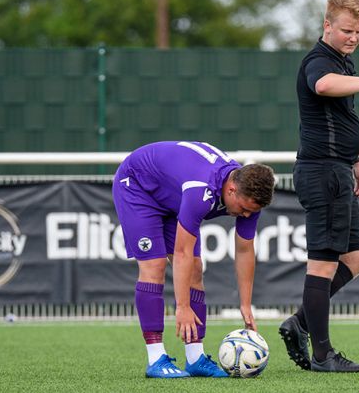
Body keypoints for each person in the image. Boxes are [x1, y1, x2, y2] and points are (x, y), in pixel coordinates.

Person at [279, 0, 359, 373]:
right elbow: (323, 87)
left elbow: (341, 119)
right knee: (322, 265)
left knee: (356, 257)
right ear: (327, 25)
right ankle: (322, 355)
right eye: (347, 30)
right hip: (322, 173)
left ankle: (299, 322)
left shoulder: (343, 62)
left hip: (339, 170)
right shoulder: (319, 61)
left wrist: (358, 160)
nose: (353, 37)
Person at [112, 140, 275, 378]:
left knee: (196, 270)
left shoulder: (248, 196)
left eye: (251, 211)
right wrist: (183, 306)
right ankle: (156, 358)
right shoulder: (201, 189)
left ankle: (195, 357)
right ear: (231, 190)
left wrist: (245, 303)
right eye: (243, 209)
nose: (246, 215)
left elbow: (244, 250)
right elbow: (181, 253)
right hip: (138, 185)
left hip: (171, 195)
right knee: (154, 265)